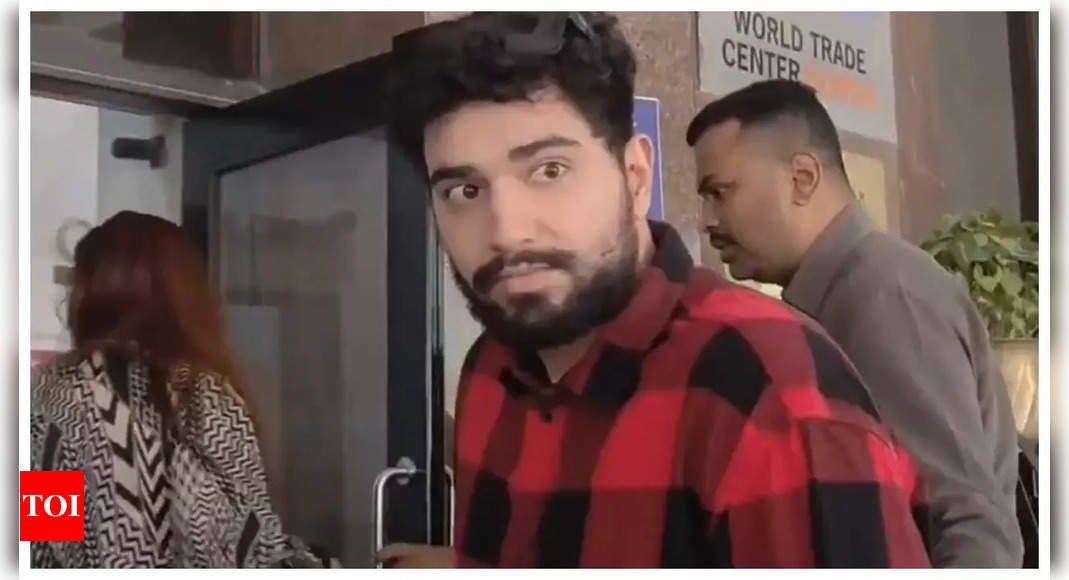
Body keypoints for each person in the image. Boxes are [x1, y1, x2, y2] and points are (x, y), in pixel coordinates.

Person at [379, 12, 930, 568]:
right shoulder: (490, 372)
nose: (506, 230)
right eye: (463, 191)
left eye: (549, 170)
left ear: (636, 177)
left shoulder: (772, 395)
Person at [685, 79, 1023, 567]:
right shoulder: (848, 294)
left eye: (720, 193)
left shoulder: (885, 297)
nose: (707, 220)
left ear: (803, 178)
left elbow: (969, 527)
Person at [30, 211, 327, 568]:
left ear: (86, 294)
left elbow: (46, 539)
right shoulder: (206, 396)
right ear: (185, 295)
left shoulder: (51, 397)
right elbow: (250, 547)